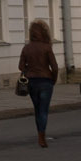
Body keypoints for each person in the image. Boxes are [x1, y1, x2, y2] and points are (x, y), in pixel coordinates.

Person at [18, 19, 59, 148]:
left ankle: (40, 135)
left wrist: (28, 70)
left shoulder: (27, 48)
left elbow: (20, 66)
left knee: (37, 109)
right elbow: (55, 67)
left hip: (31, 81)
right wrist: (54, 79)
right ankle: (42, 136)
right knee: (44, 110)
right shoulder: (47, 47)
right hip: (46, 81)